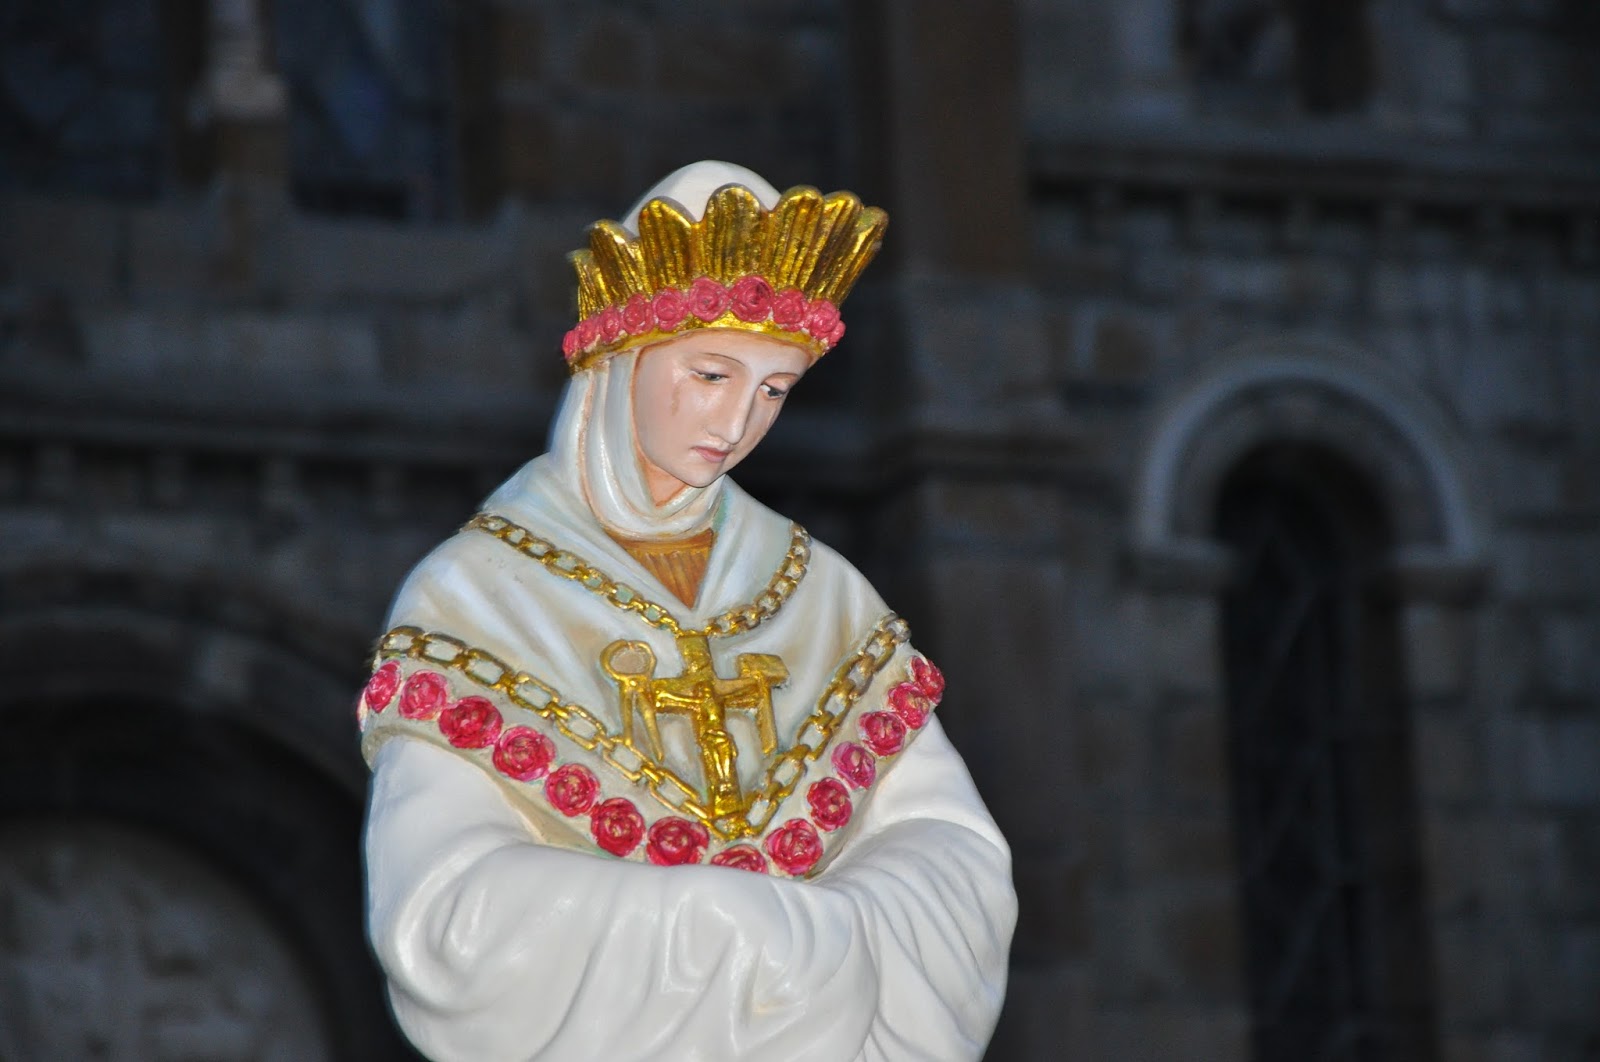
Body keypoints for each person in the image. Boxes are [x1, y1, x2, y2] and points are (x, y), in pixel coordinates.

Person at [357, 161, 1016, 1061]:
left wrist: (838, 938)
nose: (739, 420)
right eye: (712, 373)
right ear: (623, 358)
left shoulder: (822, 593)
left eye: (775, 389)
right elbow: (437, 910)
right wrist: (711, 926)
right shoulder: (474, 597)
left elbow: (951, 844)